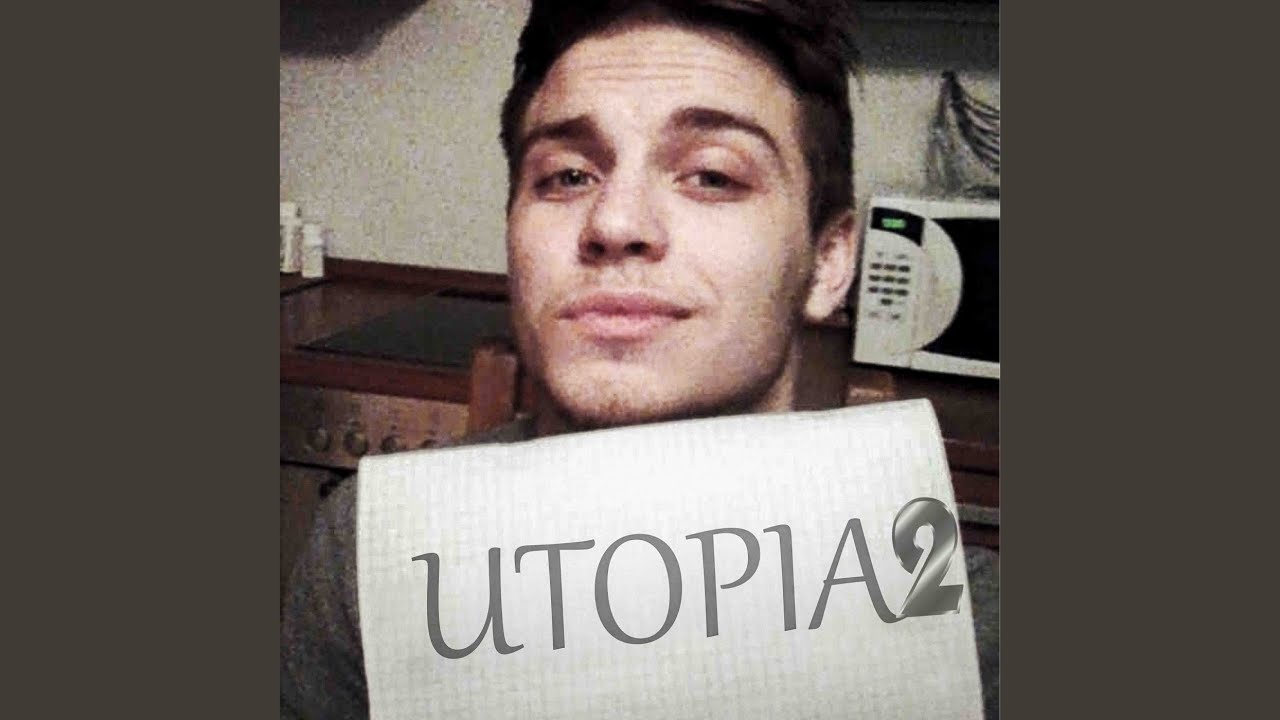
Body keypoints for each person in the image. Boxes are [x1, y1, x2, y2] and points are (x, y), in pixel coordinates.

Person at [281, 1, 998, 717]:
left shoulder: (976, 635)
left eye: (712, 175)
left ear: (828, 263)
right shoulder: (367, 559)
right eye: (567, 176)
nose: (614, 222)